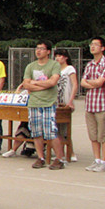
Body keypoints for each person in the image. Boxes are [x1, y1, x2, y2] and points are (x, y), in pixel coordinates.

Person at [23, 40, 65, 170]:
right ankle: (40, 157)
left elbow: (52, 82)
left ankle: (59, 158)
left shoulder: (54, 65)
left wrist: (34, 83)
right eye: (37, 48)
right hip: (34, 103)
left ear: (48, 51)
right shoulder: (30, 66)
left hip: (48, 103)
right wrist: (41, 85)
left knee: (50, 131)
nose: (38, 51)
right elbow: (26, 84)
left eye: (41, 48)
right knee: (36, 132)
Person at [81, 37, 105, 172]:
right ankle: (97, 159)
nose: (92, 47)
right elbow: (83, 82)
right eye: (91, 44)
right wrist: (93, 83)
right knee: (93, 135)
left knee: (103, 135)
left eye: (95, 44)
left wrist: (91, 82)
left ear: (102, 48)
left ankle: (104, 161)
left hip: (103, 104)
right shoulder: (89, 65)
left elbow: (101, 82)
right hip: (90, 104)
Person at [54, 48, 78, 163]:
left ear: (66, 57)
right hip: (56, 101)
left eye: (60, 56)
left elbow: (75, 85)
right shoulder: (55, 70)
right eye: (56, 56)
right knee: (57, 129)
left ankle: (71, 152)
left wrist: (71, 100)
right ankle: (60, 153)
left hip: (66, 101)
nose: (58, 58)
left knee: (65, 130)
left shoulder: (69, 69)